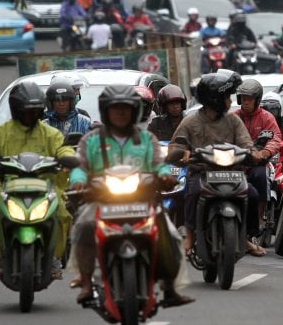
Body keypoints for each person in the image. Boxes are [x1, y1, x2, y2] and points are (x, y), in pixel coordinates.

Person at [69, 84, 194, 306]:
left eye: (125, 108)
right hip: (100, 200)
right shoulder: (91, 140)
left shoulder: (147, 139)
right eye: (115, 108)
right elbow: (80, 165)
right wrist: (78, 181)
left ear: (134, 111)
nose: (120, 113)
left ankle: (169, 288)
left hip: (142, 200)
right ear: (105, 111)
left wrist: (165, 176)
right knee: (83, 226)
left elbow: (159, 164)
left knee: (171, 235)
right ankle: (86, 282)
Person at [0, 81, 75, 281]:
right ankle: (1, 258)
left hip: (45, 186)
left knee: (63, 214)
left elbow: (63, 148)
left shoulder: (50, 133)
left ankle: (54, 258)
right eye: (26, 110)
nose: (30, 115)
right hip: (6, 187)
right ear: (16, 110)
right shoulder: (1, 133)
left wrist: (67, 158)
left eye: (35, 110)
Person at [170, 71, 267, 257]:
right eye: (226, 97)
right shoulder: (190, 122)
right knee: (193, 193)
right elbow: (176, 145)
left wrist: (255, 153)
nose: (230, 102)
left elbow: (246, 143)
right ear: (215, 99)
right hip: (201, 173)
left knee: (253, 194)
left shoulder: (233, 120)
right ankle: (189, 235)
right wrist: (182, 152)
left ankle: (245, 237)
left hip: (233, 173)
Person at [233, 79, 283, 235]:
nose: (246, 102)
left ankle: (260, 217)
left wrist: (265, 152)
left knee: (261, 177)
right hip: (235, 163)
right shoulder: (233, 117)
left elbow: (276, 138)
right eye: (243, 98)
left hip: (258, 163)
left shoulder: (267, 118)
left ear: (257, 100)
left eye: (250, 99)